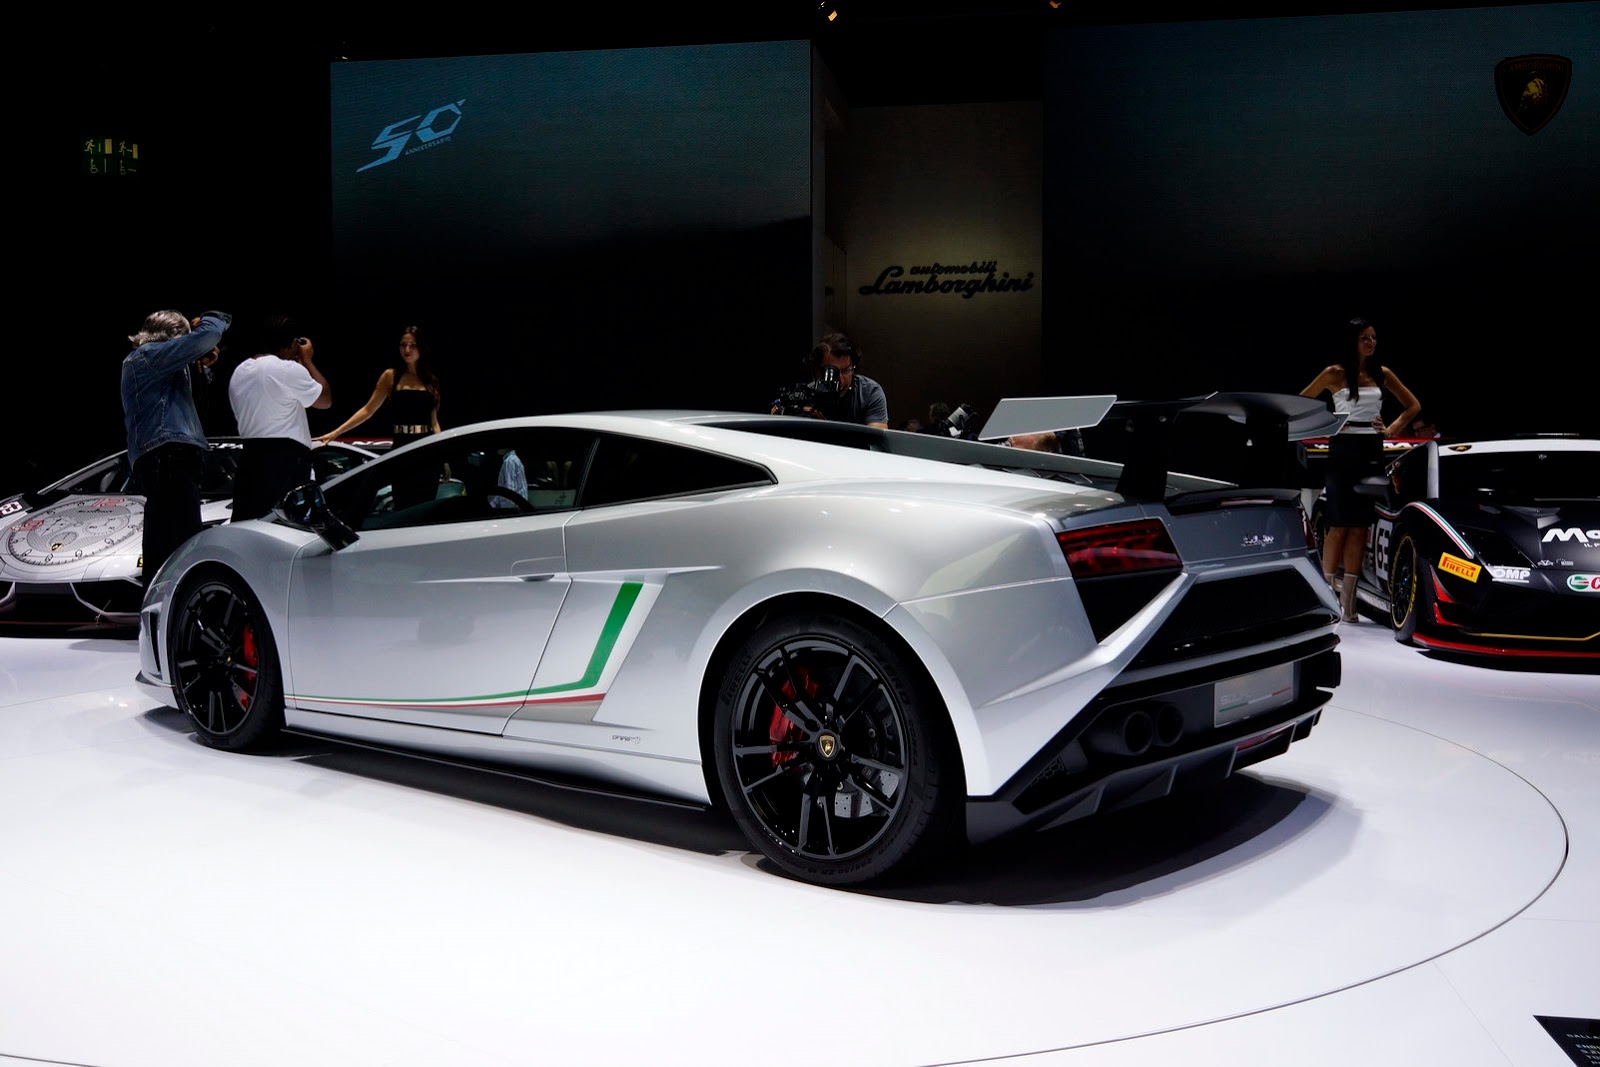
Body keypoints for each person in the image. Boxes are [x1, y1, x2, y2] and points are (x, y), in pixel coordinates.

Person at [1300, 316, 1421, 622]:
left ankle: (1350, 602)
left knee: (1359, 527)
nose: (1371, 343)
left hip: (1371, 451)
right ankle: (1327, 598)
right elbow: (1301, 403)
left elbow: (1413, 406)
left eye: (1374, 338)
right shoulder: (1334, 373)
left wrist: (1390, 429)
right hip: (1343, 450)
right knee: (1338, 525)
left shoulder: (1382, 373)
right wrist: (1328, 424)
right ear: (1352, 341)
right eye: (1365, 338)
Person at [121, 309, 232, 586]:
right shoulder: (148, 356)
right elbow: (210, 333)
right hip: (168, 458)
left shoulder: (154, 364)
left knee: (167, 547)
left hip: (168, 458)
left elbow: (186, 402)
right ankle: (175, 607)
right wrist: (208, 319)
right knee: (180, 547)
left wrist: (201, 367)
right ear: (173, 336)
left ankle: (164, 608)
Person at [227, 314, 331, 521]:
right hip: (284, 459)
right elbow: (325, 400)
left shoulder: (240, 370)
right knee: (286, 527)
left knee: (248, 524)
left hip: (249, 457)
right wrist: (307, 361)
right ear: (291, 344)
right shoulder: (288, 369)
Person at [316, 324, 441, 449]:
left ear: (422, 347)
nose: (407, 350)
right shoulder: (390, 376)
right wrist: (335, 433)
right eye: (403, 345)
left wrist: (442, 451)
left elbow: (434, 422)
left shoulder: (431, 381)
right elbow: (368, 410)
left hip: (426, 445)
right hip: (401, 445)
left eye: (413, 345)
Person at [770, 332, 888, 428]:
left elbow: (876, 442)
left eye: (846, 371)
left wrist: (825, 427)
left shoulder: (869, 392)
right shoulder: (807, 395)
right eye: (832, 373)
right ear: (818, 372)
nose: (840, 380)